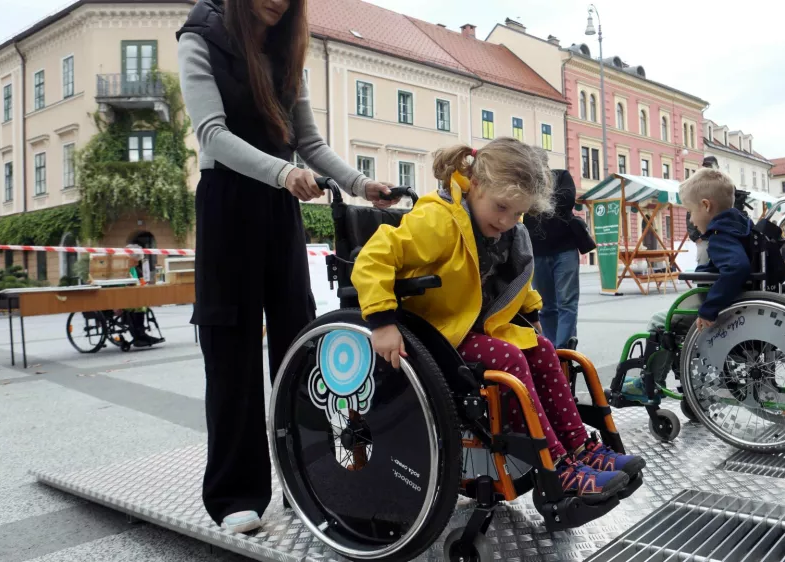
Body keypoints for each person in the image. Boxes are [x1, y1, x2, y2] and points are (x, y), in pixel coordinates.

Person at [176, 0, 399, 533]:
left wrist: (360, 184)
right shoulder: (199, 35)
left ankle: (309, 480)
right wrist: (281, 174)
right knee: (230, 349)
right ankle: (235, 493)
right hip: (228, 202)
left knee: (297, 347)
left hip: (279, 209)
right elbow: (211, 134)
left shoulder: (285, 48)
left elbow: (309, 142)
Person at [352, 138, 647, 503]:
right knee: (508, 357)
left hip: (471, 326)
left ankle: (580, 447)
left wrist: (533, 316)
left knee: (542, 348)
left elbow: (514, 281)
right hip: (435, 330)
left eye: (517, 214)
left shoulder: (503, 228)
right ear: (475, 184)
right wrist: (382, 321)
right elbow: (373, 258)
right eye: (502, 208)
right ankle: (556, 464)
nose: (507, 221)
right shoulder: (437, 220)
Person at [645, 169, 753, 337]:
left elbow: (737, 267)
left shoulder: (721, 235)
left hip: (724, 310)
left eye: (691, 212)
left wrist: (709, 308)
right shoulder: (742, 227)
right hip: (740, 305)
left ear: (706, 205)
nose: (691, 220)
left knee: (657, 320)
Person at [523, 169, 585, 349]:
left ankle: (564, 349)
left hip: (565, 250)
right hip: (537, 251)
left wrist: (538, 200)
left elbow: (567, 200)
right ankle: (552, 349)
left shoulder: (561, 176)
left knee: (567, 302)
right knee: (545, 306)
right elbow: (524, 203)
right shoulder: (527, 178)